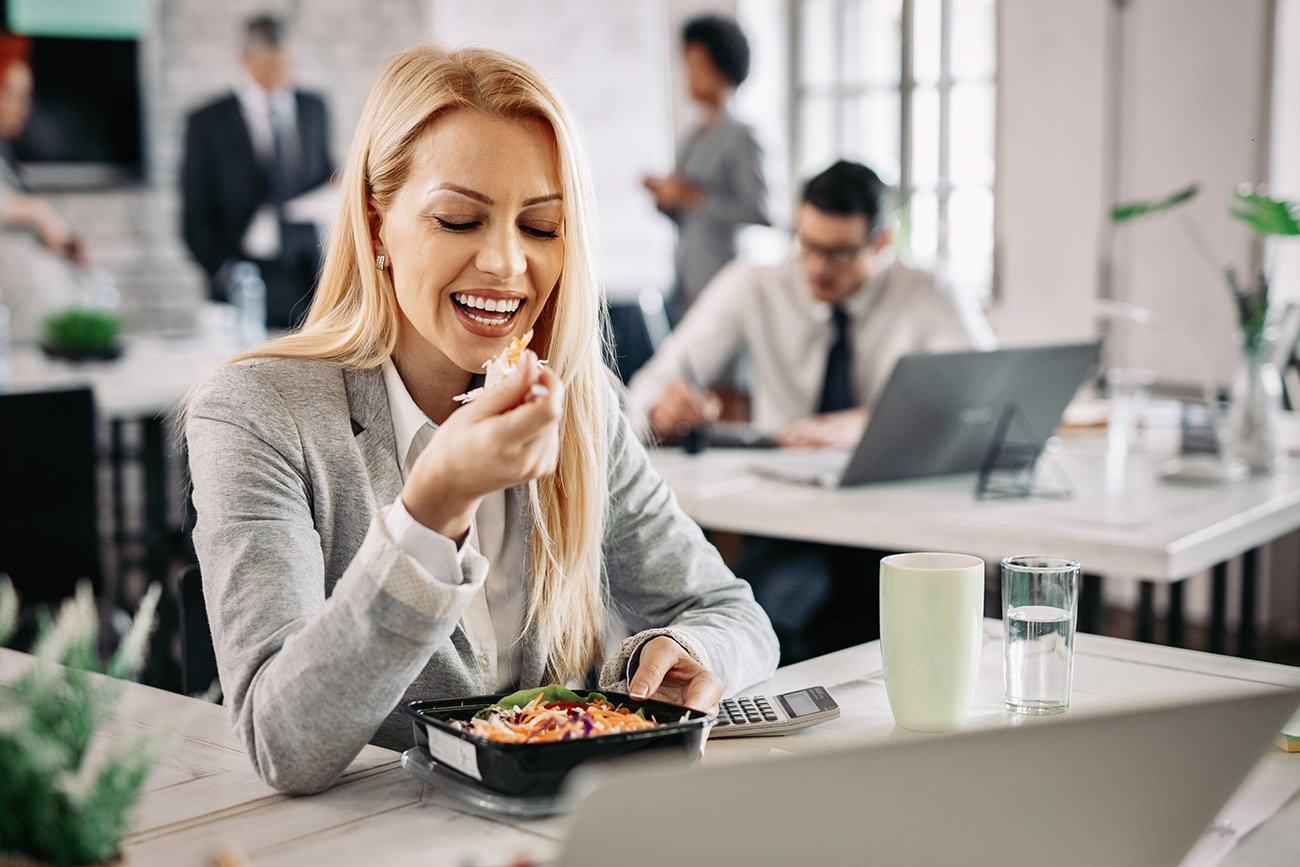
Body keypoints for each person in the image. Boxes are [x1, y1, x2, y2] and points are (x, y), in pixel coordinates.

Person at [184, 45, 778, 795]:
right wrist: (431, 510)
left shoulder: (576, 401)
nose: (504, 262)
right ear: (375, 228)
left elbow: (733, 613)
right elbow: (282, 741)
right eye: (459, 219)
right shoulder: (257, 413)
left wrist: (685, 648)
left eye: (540, 227)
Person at [629, 159, 995, 663]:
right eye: (807, 245)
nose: (818, 267)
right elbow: (646, 388)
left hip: (896, 524)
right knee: (774, 622)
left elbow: (989, 399)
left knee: (918, 641)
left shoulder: (927, 291)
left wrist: (870, 424)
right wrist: (664, 408)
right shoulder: (755, 283)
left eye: (841, 253)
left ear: (881, 243)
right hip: (789, 520)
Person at [181, 14, 335, 330]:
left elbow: (324, 173)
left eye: (283, 65)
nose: (277, 76)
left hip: (306, 276)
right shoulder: (208, 121)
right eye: (267, 66)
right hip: (241, 274)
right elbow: (194, 210)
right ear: (245, 60)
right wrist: (221, 270)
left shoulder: (313, 108)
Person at [643, 14, 768, 324]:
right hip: (685, 278)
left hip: (723, 278)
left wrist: (694, 196)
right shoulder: (693, 136)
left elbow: (758, 212)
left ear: (722, 69)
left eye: (696, 67)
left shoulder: (742, 136)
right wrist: (667, 198)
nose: (688, 76)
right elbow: (686, 215)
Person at [0, 33, 86, 343]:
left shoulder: (7, 159)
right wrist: (39, 212)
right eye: (13, 94)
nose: (24, 107)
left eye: (27, 96)